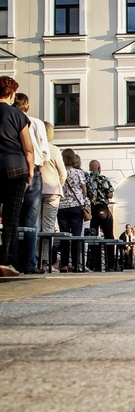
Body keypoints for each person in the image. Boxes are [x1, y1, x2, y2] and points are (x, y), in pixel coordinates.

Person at [12, 93, 49, 274]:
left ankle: (14, 260)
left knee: (14, 217)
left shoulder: (9, 118)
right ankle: (29, 263)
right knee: (31, 220)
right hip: (33, 169)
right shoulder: (36, 123)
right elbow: (43, 150)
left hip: (14, 169)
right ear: (27, 106)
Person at [0, 76, 33, 277]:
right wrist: (30, 172)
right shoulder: (18, 115)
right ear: (11, 94)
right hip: (15, 168)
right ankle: (5, 263)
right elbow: (28, 148)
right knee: (11, 217)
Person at [40, 122, 67, 272]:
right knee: (48, 227)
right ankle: (45, 261)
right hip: (52, 191)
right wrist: (58, 185)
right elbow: (63, 173)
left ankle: (34, 259)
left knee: (35, 226)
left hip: (36, 190)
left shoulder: (34, 148)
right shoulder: (54, 150)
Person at [57, 148, 88, 272]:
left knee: (64, 236)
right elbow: (84, 190)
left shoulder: (59, 172)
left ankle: (64, 264)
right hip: (76, 206)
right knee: (76, 236)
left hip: (62, 206)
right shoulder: (79, 173)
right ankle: (75, 264)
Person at [89, 160, 115, 269]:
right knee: (108, 236)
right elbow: (110, 194)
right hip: (103, 208)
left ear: (90, 168)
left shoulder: (87, 178)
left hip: (93, 209)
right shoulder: (102, 178)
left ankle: (95, 264)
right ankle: (110, 264)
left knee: (93, 236)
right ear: (99, 168)